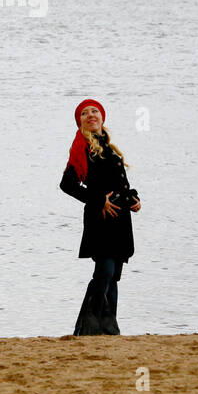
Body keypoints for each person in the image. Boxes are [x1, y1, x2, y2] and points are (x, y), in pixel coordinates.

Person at [59, 98, 140, 335]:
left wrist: (134, 199)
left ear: (102, 118)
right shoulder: (81, 148)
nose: (91, 115)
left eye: (95, 111)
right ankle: (88, 326)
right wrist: (98, 200)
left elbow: (121, 184)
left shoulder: (110, 149)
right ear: (80, 122)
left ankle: (108, 325)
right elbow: (67, 184)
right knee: (103, 271)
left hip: (121, 219)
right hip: (100, 218)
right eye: (85, 113)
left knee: (114, 275)